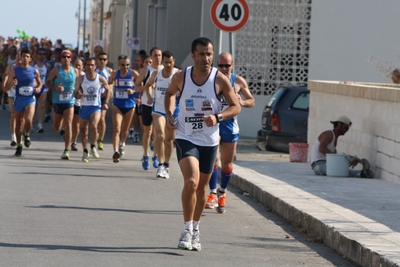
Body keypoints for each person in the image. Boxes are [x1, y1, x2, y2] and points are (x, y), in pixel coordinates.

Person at [164, 37, 241, 251]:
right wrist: (170, 114)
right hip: (186, 136)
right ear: (193, 55)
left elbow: (236, 107)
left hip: (209, 140)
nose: (206, 58)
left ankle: (196, 229)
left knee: (202, 190)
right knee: (191, 181)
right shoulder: (182, 77)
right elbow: (170, 94)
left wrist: (218, 117)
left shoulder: (219, 80)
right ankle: (187, 228)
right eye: (201, 54)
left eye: (209, 54)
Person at [205, 52, 255, 213]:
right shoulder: (211, 79)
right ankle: (212, 193)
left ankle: (222, 192)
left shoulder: (238, 81)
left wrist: (242, 101)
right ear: (216, 65)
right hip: (214, 124)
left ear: (232, 65)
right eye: (221, 65)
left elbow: (251, 101)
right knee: (214, 160)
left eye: (227, 65)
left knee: (226, 164)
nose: (224, 68)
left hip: (230, 126)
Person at [146, 51, 180, 179]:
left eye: (170, 62)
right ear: (162, 62)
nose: (168, 65)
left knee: (169, 139)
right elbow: (148, 85)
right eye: (166, 62)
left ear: (174, 61)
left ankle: (166, 164)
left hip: (173, 110)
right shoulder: (156, 73)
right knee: (160, 134)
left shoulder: (178, 74)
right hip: (158, 108)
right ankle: (160, 164)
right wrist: (149, 95)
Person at [3, 49, 42, 156]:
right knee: (19, 124)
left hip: (30, 99)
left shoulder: (34, 71)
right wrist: (12, 84)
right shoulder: (15, 70)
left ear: (30, 58)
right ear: (20, 58)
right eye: (23, 56)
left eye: (27, 56)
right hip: (19, 99)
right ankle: (19, 145)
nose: (25, 58)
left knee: (29, 120)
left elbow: (40, 83)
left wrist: (38, 88)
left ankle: (26, 134)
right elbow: (6, 88)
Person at [310, 115, 374, 178]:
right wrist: (341, 158)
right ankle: (361, 174)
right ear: (339, 124)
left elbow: (333, 157)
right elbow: (321, 148)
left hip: (326, 164)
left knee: (340, 168)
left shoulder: (334, 138)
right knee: (339, 170)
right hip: (318, 165)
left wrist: (349, 160)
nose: (347, 130)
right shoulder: (328, 134)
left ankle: (363, 172)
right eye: (346, 128)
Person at [74, 57, 109, 162]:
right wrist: (78, 95)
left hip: (96, 106)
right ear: (85, 66)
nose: (90, 67)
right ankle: (85, 150)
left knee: (94, 126)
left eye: (92, 65)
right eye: (88, 65)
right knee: (84, 131)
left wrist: (106, 102)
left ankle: (93, 145)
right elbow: (75, 93)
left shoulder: (100, 78)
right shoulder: (81, 78)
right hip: (84, 106)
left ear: (95, 66)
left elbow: (109, 90)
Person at [45, 50, 79, 160]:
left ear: (71, 59)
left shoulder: (75, 71)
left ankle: (66, 150)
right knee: (56, 127)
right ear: (61, 59)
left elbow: (79, 84)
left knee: (69, 124)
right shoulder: (56, 70)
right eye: (64, 57)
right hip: (57, 101)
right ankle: (61, 131)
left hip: (70, 101)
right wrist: (56, 88)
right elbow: (47, 83)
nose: (66, 59)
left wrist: (79, 93)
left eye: (68, 57)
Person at [135, 47, 162, 170]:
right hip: (147, 104)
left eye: (160, 55)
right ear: (151, 57)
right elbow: (136, 87)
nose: (158, 58)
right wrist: (147, 87)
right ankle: (146, 154)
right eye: (155, 55)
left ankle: (155, 155)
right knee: (148, 132)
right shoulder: (146, 70)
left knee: (158, 133)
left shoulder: (164, 70)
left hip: (160, 106)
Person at [108, 54, 139, 163]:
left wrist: (134, 91)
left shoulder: (134, 73)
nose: (125, 67)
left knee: (125, 130)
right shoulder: (115, 73)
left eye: (127, 65)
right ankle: (115, 151)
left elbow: (141, 85)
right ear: (118, 64)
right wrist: (109, 89)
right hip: (117, 104)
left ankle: (122, 143)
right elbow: (109, 83)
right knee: (117, 128)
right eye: (122, 65)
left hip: (129, 106)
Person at [95, 52, 113, 151]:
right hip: (94, 98)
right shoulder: (93, 70)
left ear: (107, 61)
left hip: (104, 97)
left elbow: (111, 85)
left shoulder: (109, 71)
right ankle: (96, 134)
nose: (102, 61)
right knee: (95, 120)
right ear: (97, 60)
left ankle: (101, 140)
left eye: (104, 59)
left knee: (102, 118)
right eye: (100, 59)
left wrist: (108, 95)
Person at [32, 47, 50, 133]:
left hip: (43, 87)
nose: (42, 56)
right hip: (34, 88)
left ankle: (40, 124)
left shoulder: (47, 65)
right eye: (40, 54)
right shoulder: (32, 64)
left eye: (44, 54)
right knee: (33, 107)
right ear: (36, 55)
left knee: (42, 106)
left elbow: (49, 77)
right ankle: (31, 122)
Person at [71, 58, 84, 151]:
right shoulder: (70, 74)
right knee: (68, 122)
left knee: (76, 124)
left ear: (82, 66)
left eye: (79, 65)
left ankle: (73, 142)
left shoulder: (85, 76)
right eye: (76, 64)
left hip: (80, 103)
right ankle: (67, 134)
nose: (78, 66)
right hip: (70, 101)